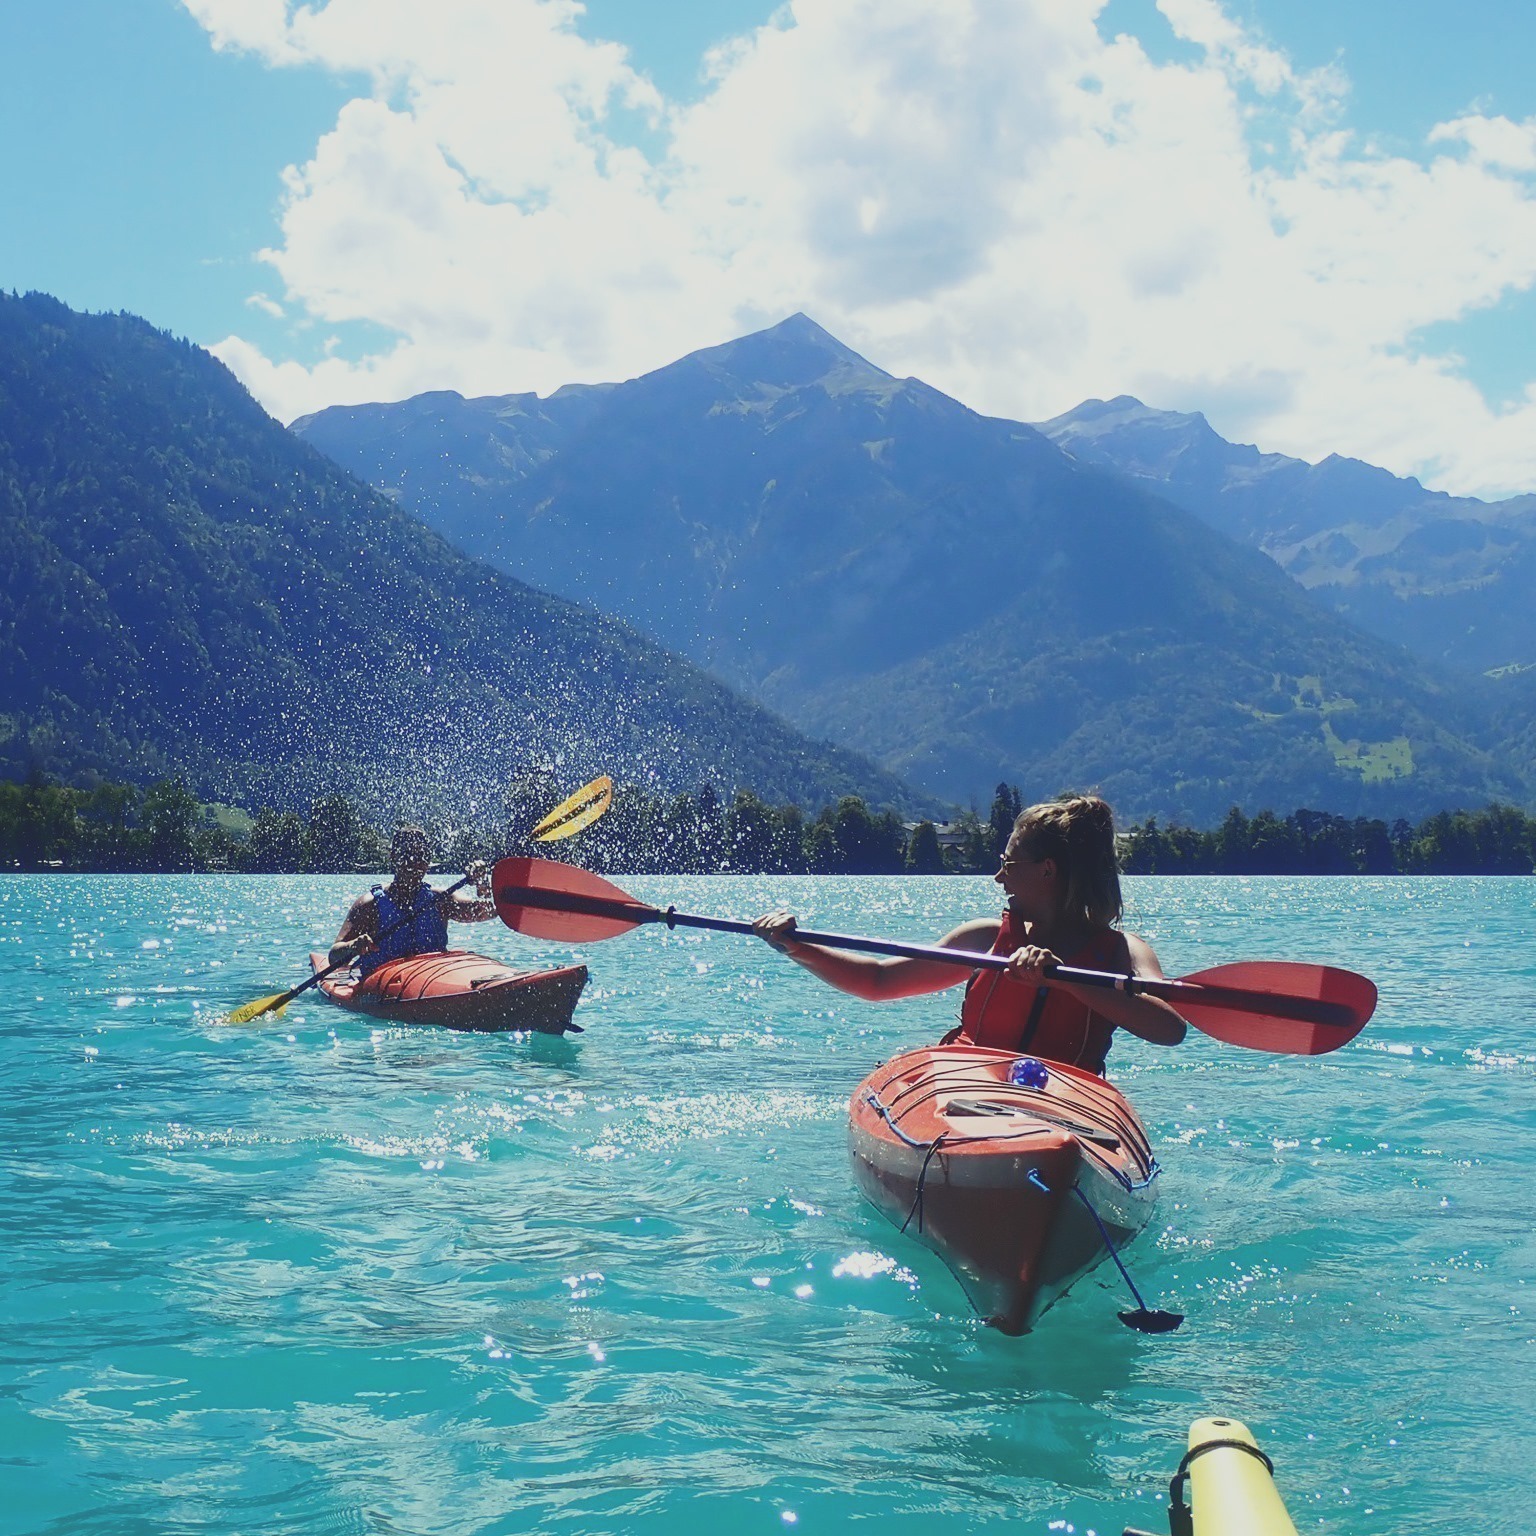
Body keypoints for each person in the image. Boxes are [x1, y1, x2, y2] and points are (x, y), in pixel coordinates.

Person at [753, 794, 1185, 1076]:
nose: (998, 877)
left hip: (1061, 1103)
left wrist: (1062, 978)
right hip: (968, 1089)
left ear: (1047, 870)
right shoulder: (986, 938)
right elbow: (879, 981)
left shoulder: (1123, 951)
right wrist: (798, 947)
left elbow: (1169, 1029)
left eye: (1009, 864)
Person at [329, 825, 497, 976]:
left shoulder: (440, 900)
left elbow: (490, 911)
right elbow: (333, 955)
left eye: (421, 856)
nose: (414, 863)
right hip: (383, 987)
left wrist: (483, 885)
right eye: (407, 854)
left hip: (433, 978)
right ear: (394, 857)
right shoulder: (369, 905)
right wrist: (353, 946)